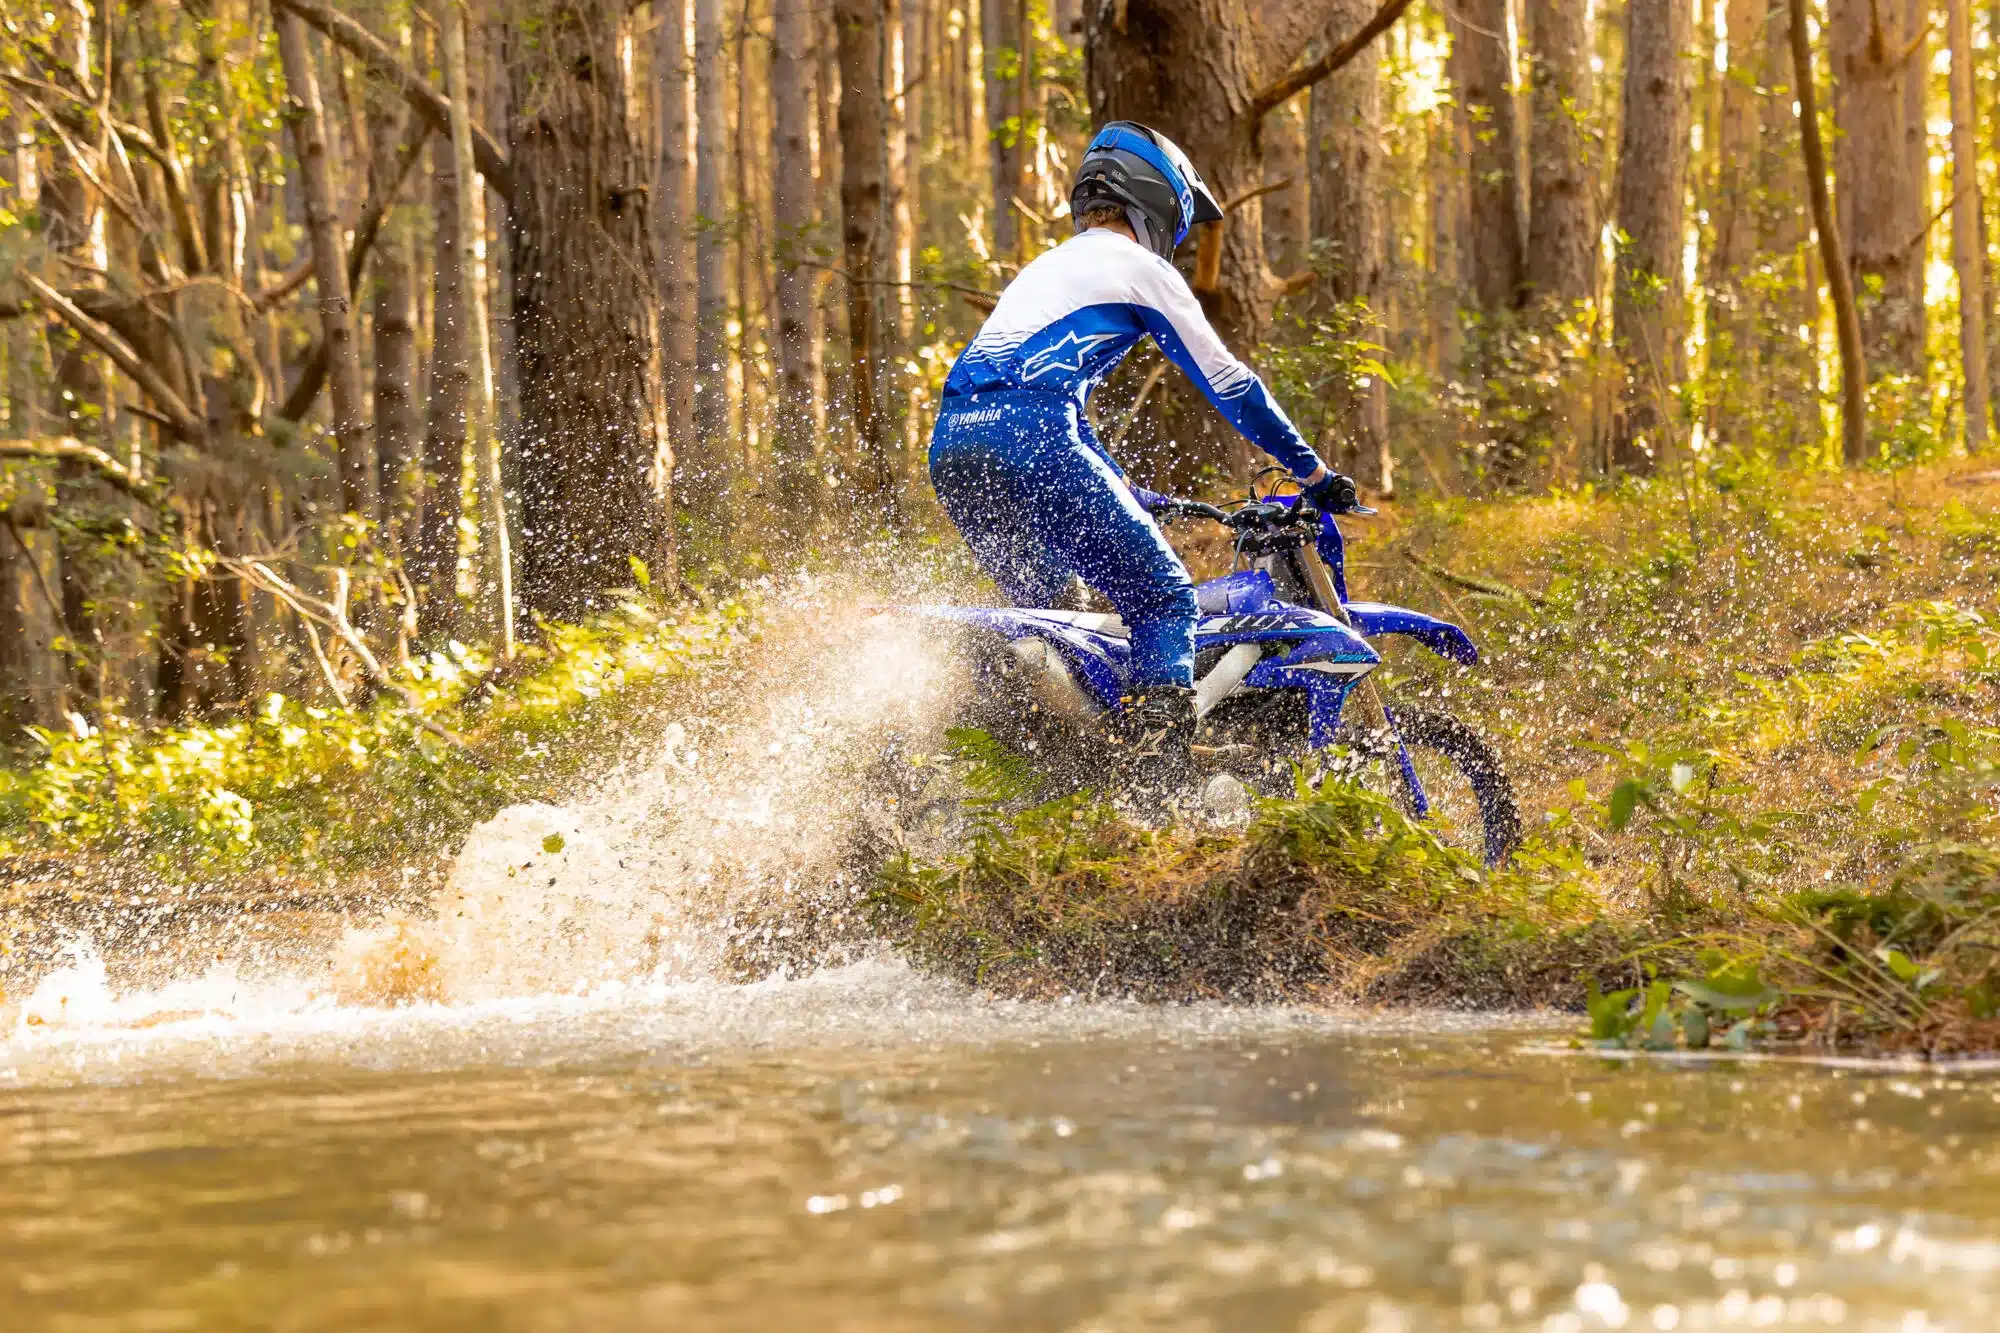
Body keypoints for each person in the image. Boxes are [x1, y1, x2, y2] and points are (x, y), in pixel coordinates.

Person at [929, 120, 1357, 765]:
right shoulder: (1138, 265)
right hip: (1034, 438)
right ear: (1160, 201)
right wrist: (1314, 472)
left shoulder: (1047, 268)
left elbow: (1029, 397)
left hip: (954, 447)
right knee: (1161, 597)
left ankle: (1048, 771)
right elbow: (1230, 384)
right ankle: (1158, 772)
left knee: (1054, 621)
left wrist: (1128, 492)